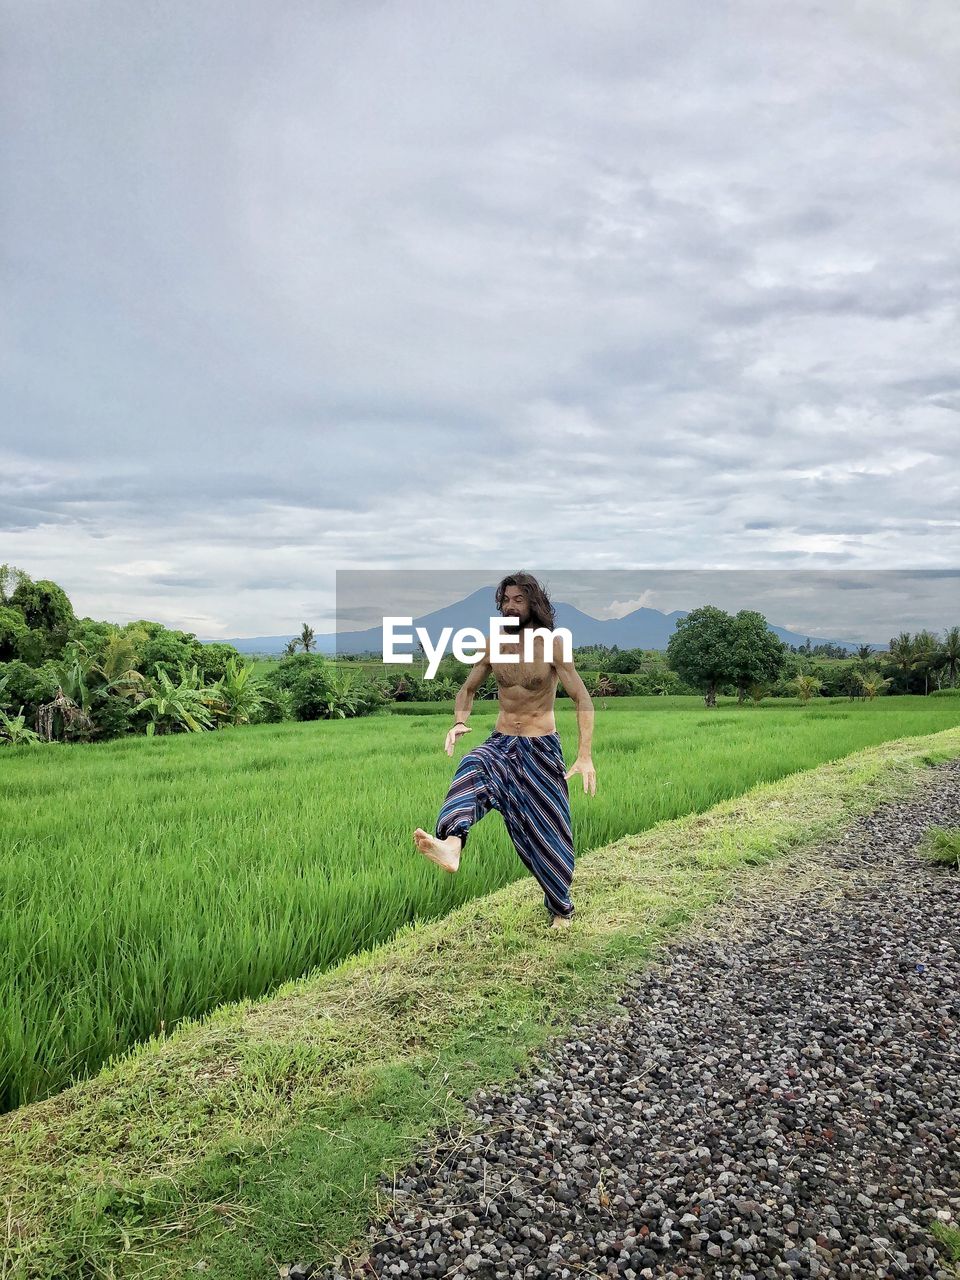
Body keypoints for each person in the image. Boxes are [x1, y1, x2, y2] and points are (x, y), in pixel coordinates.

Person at [413, 572, 597, 928]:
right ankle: (452, 844)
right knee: (473, 765)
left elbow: (581, 697)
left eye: (518, 600)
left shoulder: (552, 644)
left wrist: (585, 754)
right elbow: (467, 689)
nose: (510, 606)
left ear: (533, 604)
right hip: (501, 742)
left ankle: (561, 909)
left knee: (549, 830)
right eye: (506, 600)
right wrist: (458, 721)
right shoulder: (492, 643)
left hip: (540, 747)